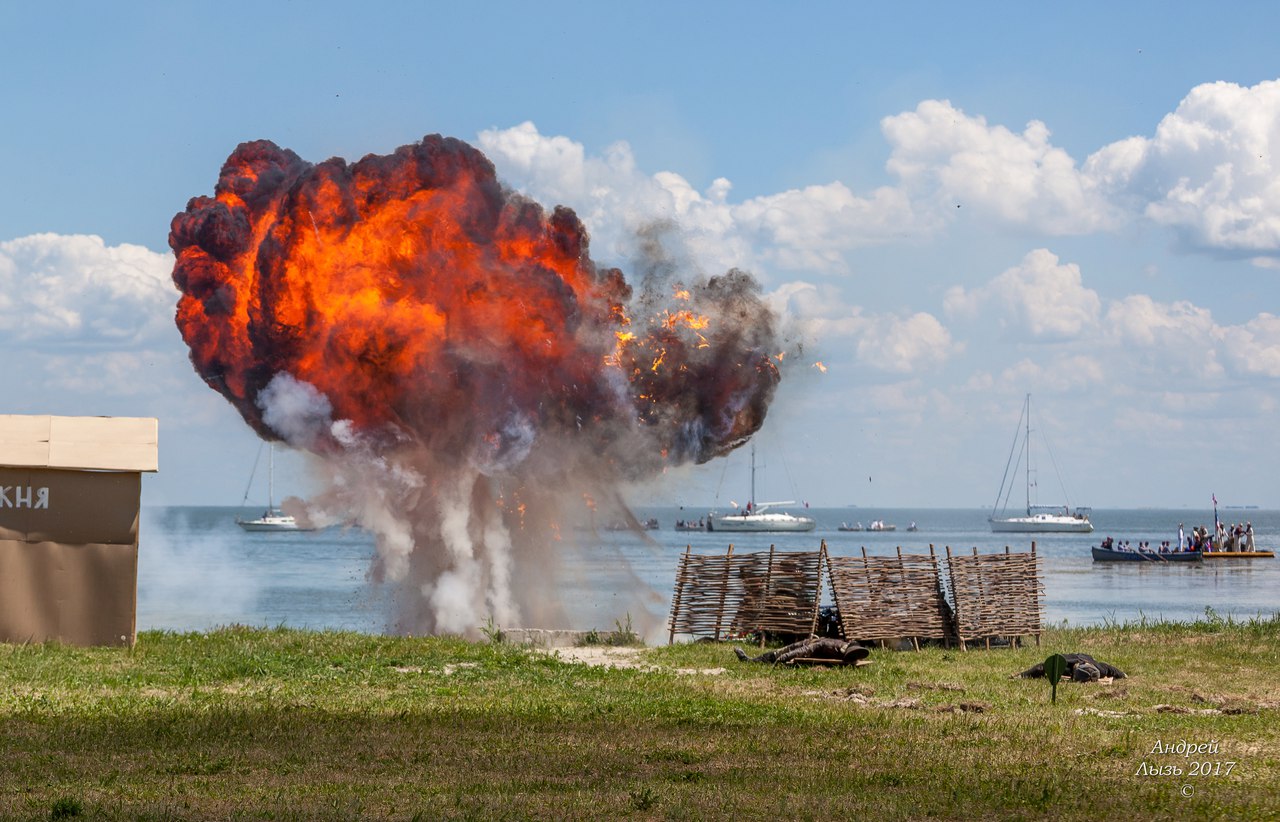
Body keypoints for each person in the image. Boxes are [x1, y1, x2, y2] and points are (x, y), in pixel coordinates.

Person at [733, 637, 870, 666]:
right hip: (806, 644)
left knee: (779, 654)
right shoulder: (828, 645)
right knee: (777, 653)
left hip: (812, 648)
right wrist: (785, 657)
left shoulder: (843, 648)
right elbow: (805, 650)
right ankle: (749, 661)